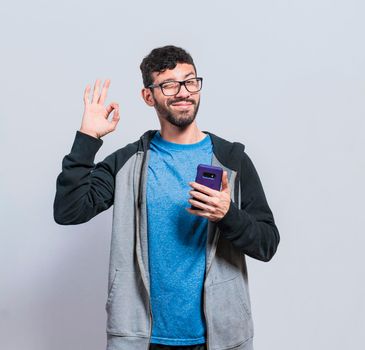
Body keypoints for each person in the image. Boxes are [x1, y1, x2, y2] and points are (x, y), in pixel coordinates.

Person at [53, 45, 280, 350]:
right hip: (141, 340)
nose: (183, 92)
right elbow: (69, 211)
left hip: (220, 339)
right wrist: (87, 138)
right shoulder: (127, 163)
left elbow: (267, 244)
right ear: (149, 96)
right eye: (169, 85)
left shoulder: (232, 160)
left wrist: (228, 214)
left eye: (189, 81)